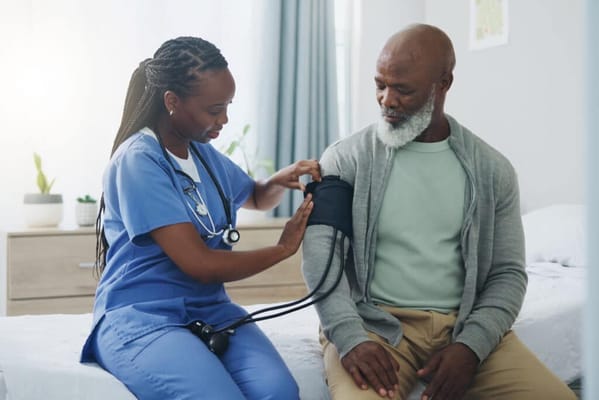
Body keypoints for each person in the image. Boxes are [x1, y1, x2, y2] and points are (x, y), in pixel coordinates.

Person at [301, 24, 576, 400]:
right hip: (374, 328)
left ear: (443, 84)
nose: (386, 100)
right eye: (380, 84)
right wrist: (349, 338)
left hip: (461, 327)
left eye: (403, 89)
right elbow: (321, 259)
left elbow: (508, 273)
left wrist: (471, 347)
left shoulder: (493, 171)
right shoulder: (345, 158)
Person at [80, 36, 321, 400]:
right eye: (214, 109)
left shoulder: (202, 154)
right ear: (172, 102)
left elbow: (254, 195)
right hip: (142, 317)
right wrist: (282, 249)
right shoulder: (139, 161)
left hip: (209, 310)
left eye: (227, 106)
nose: (223, 119)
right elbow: (199, 263)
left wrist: (278, 180)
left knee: (280, 393)